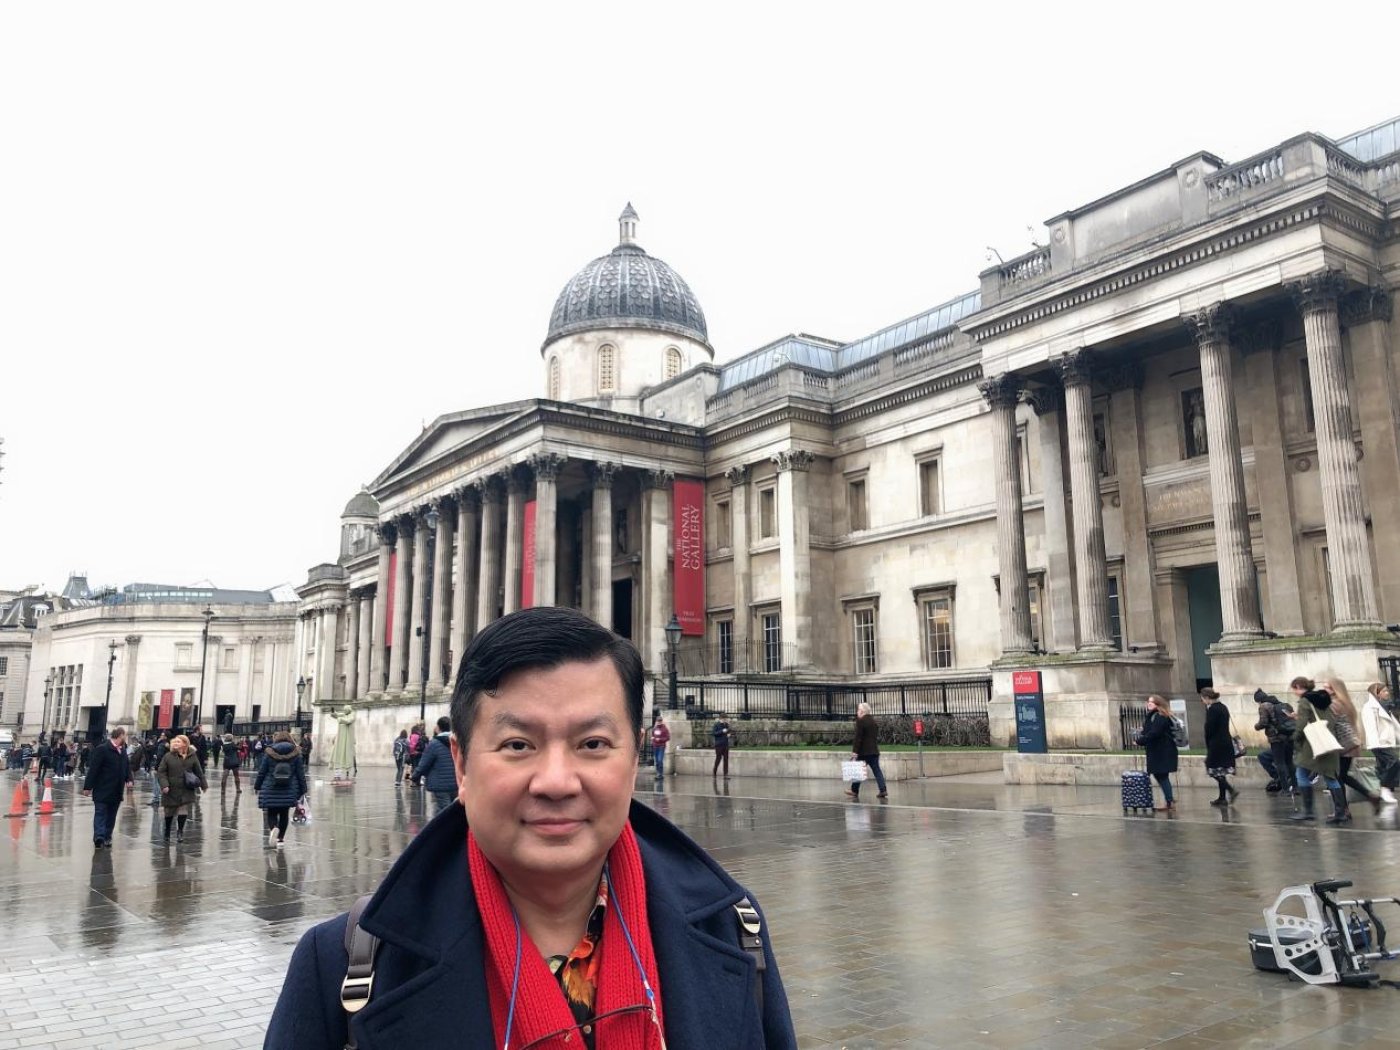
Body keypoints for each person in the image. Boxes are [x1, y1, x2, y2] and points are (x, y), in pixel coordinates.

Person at [266, 605, 795, 1049]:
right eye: (518, 745)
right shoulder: (339, 964)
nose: (557, 782)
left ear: (634, 759)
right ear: (462, 765)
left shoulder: (736, 928)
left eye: (593, 744)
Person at [1290, 677, 1350, 824]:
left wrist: (1295, 737)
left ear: (1298, 687)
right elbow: (1331, 720)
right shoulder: (1324, 699)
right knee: (1330, 776)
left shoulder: (1305, 701)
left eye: (1294, 689)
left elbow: (1302, 724)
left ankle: (1308, 811)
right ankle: (1340, 812)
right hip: (1327, 741)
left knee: (1301, 773)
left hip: (1312, 745)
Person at [1322, 678, 1384, 814]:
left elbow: (1329, 725)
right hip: (1350, 744)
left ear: (1334, 690)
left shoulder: (1333, 704)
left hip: (1341, 745)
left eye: (1327, 687)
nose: (1324, 690)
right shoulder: (1346, 703)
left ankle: (1343, 809)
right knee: (1342, 776)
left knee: (1337, 777)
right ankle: (1369, 796)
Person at [255, 731, 309, 850]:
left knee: (271, 812)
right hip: (288, 788)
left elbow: (262, 772)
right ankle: (280, 839)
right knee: (284, 813)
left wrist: (257, 786)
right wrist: (303, 790)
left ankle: (274, 828)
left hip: (271, 787)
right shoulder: (296, 753)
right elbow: (300, 774)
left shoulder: (269, 752)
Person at [81, 727, 132, 848]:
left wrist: (129, 779)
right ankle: (99, 837)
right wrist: (87, 787)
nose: (125, 738)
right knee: (100, 813)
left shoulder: (122, 751)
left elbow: (126, 767)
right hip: (102, 789)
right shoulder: (102, 749)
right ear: (120, 735)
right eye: (124, 736)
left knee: (111, 816)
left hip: (116, 790)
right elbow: (94, 769)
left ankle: (107, 836)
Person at [156, 734, 208, 843]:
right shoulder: (168, 756)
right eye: (175, 741)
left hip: (186, 788)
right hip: (171, 789)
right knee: (169, 812)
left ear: (185, 743)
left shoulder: (192, 756)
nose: (175, 743)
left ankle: (180, 832)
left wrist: (204, 785)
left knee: (183, 810)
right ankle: (167, 831)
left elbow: (199, 771)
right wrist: (164, 785)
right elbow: (161, 772)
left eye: (178, 741)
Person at [1137, 695, 1179, 812]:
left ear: (1158, 704)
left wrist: (1140, 741)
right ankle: (1169, 800)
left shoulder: (1160, 716)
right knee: (1160, 775)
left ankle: (1170, 802)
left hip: (1162, 751)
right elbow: (1151, 730)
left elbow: (1155, 733)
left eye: (1152, 702)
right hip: (1159, 751)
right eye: (1148, 702)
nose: (1149, 704)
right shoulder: (1154, 715)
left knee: (1162, 775)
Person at [411, 716, 458, 815]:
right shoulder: (457, 742)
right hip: (456, 783)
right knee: (451, 809)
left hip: (440, 784)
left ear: (438, 727)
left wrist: (415, 776)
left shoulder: (434, 744)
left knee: (444, 812)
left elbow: (424, 763)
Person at [1200, 688, 1238, 806]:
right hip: (1226, 741)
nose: (1202, 701)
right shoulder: (1223, 707)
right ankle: (1222, 798)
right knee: (1221, 770)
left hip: (1216, 743)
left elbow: (1209, 728)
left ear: (1207, 698)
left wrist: (1208, 742)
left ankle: (1230, 790)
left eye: (1202, 699)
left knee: (1211, 768)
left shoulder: (1212, 709)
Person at [1254, 688, 1296, 795]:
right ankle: (1296, 788)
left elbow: (1263, 723)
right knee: (1289, 762)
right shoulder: (1284, 705)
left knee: (1280, 763)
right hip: (1289, 737)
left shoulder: (1264, 706)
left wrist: (1256, 726)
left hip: (1277, 739)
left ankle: (1285, 789)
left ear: (1259, 700)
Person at [1363, 682, 1400, 805]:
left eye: (1387, 691)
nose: (1387, 693)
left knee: (1384, 767)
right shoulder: (1369, 708)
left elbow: (1394, 725)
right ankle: (1384, 787)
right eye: (1384, 691)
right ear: (1377, 693)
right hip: (1379, 743)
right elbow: (1370, 727)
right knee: (1394, 762)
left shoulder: (1385, 706)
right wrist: (1375, 743)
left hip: (1386, 741)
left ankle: (1386, 792)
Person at [844, 702, 887, 800]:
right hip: (874, 751)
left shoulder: (861, 721)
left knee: (858, 771)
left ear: (862, 711)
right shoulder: (873, 721)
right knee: (877, 770)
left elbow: (858, 738)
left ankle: (854, 791)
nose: (857, 712)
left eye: (858, 710)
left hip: (863, 752)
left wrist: (855, 751)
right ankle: (883, 789)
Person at [649, 711, 671, 778]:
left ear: (662, 721)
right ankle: (658, 773)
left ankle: (660, 773)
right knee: (657, 760)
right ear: (656, 721)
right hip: (655, 746)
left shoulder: (665, 729)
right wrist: (652, 739)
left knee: (660, 760)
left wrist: (660, 739)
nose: (659, 722)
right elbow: (653, 735)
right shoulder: (654, 728)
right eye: (658, 721)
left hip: (661, 746)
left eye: (660, 721)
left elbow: (668, 738)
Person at [712, 713, 733, 777]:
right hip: (719, 745)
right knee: (718, 758)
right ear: (721, 718)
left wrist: (729, 734)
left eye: (726, 719)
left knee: (726, 759)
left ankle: (725, 774)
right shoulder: (716, 725)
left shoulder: (726, 724)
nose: (725, 720)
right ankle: (714, 771)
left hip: (725, 744)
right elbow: (714, 733)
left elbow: (729, 731)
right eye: (724, 719)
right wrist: (722, 731)